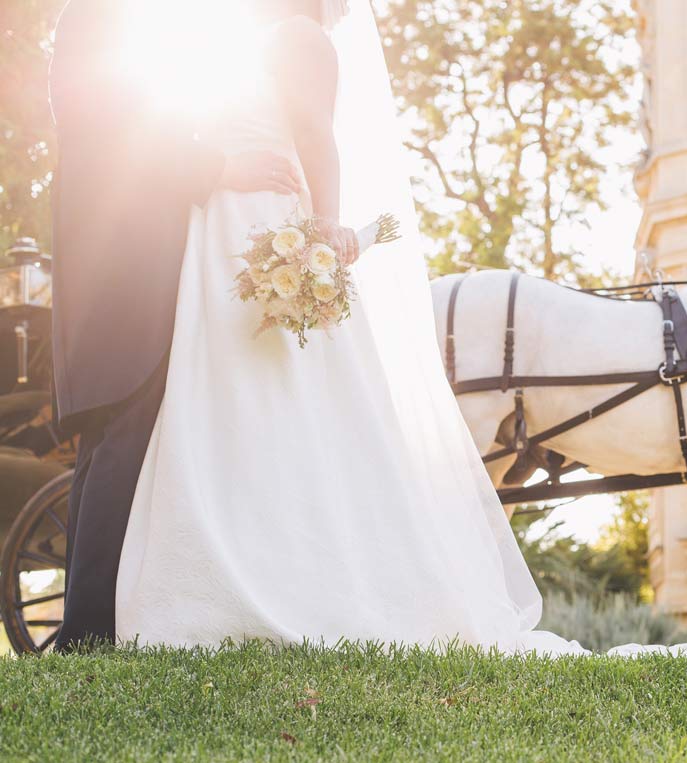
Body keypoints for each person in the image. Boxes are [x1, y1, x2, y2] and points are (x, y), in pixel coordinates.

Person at [112, 0, 572, 652]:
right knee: (227, 391)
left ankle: (294, 581)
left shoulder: (298, 38)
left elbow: (315, 136)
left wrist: (320, 237)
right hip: (222, 231)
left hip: (262, 226)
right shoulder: (248, 43)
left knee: (280, 392)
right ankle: (220, 570)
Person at [49, 0, 302, 651]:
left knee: (108, 442)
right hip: (124, 267)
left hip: (118, 265)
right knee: (122, 431)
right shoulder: (102, 21)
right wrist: (221, 169)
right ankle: (85, 635)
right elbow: (122, 137)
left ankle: (86, 629)